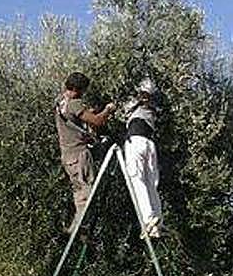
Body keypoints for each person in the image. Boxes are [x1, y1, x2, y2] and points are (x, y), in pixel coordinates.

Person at [55, 71, 115, 233]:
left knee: (79, 190)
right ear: (76, 89)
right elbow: (98, 121)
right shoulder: (74, 103)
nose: (84, 94)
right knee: (87, 190)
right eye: (83, 90)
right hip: (79, 155)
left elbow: (72, 126)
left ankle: (77, 225)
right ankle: (80, 226)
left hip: (68, 156)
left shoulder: (61, 103)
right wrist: (108, 109)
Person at [123, 78, 162, 238]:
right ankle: (157, 223)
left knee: (137, 180)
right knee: (151, 183)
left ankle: (148, 220)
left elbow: (124, 109)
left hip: (136, 141)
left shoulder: (137, 104)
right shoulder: (153, 108)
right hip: (150, 144)